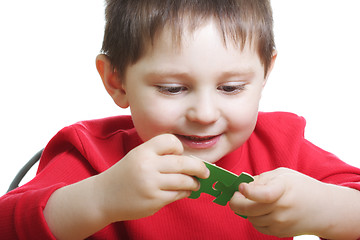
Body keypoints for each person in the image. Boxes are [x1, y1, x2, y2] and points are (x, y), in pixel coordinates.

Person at [1, 0, 360, 239]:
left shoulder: (283, 145)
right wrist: (101, 198)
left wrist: (323, 207)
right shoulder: (88, 155)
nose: (204, 115)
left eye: (232, 87)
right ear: (117, 81)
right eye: (172, 89)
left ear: (265, 72)